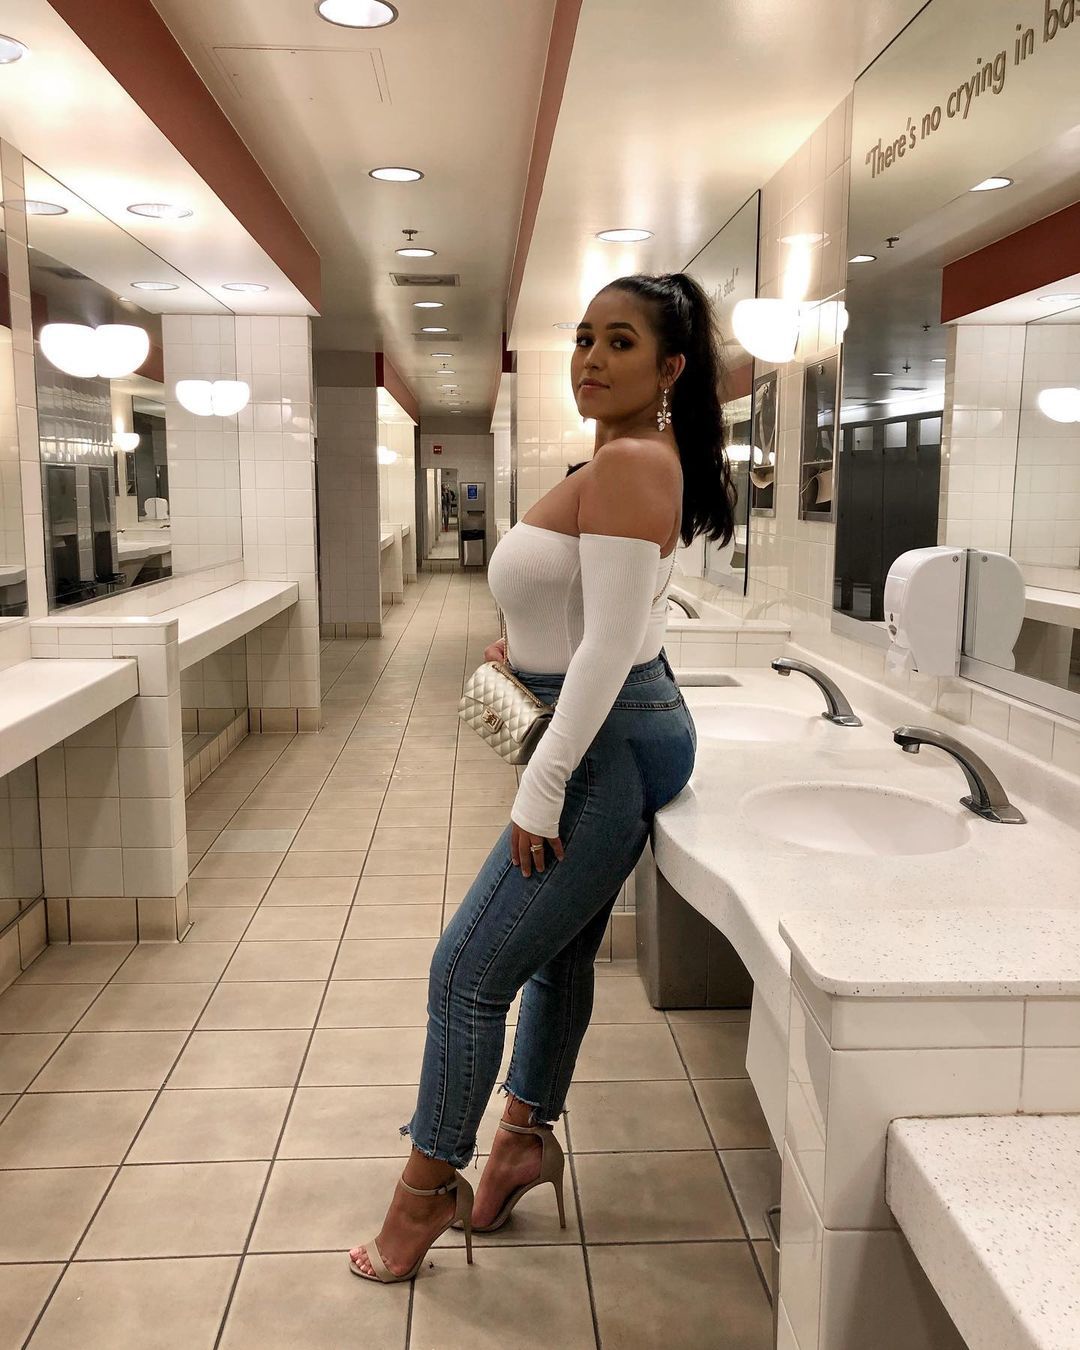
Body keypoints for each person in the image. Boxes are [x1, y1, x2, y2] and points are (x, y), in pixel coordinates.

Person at [349, 272, 736, 1283]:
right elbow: (608, 618)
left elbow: (607, 647)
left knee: (464, 973)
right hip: (604, 718)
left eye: (621, 341)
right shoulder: (621, 459)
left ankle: (422, 1195)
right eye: (584, 337)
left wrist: (542, 784)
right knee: (557, 955)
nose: (592, 358)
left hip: (604, 736)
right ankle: (520, 1140)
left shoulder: (634, 462)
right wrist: (523, 647)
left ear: (670, 367)